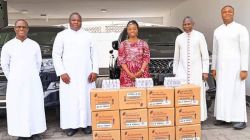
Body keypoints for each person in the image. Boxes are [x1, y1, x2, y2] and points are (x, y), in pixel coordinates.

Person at [52, 12, 98, 136]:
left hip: (86, 74)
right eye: (73, 20)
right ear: (69, 21)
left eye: (78, 20)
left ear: (81, 21)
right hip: (68, 75)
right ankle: (70, 126)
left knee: (86, 99)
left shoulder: (88, 35)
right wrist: (62, 72)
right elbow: (56, 55)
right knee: (70, 100)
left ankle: (87, 124)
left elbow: (95, 54)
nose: (76, 22)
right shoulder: (61, 35)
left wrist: (95, 71)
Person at [1, 19, 46, 140]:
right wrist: (12, 79)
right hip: (15, 83)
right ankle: (21, 133)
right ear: (15, 29)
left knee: (34, 106)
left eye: (24, 27)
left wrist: (31, 76)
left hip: (32, 82)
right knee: (18, 107)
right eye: (19, 27)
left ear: (27, 29)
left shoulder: (34, 45)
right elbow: (4, 65)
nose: (21, 29)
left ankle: (35, 132)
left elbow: (38, 63)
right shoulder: (8, 46)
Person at [212, 5, 249, 129]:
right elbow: (215, 51)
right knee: (222, 91)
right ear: (221, 14)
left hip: (236, 67)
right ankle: (222, 117)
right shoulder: (217, 30)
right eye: (224, 12)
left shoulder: (241, 29)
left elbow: (245, 50)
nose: (227, 13)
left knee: (236, 92)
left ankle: (240, 119)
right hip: (221, 67)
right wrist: (213, 67)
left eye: (229, 11)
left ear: (233, 13)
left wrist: (244, 68)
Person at [173, 16, 209, 122]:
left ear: (193, 24)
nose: (186, 26)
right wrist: (175, 72)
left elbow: (205, 55)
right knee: (184, 95)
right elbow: (176, 57)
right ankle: (185, 117)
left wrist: (205, 71)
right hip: (182, 71)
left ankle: (199, 118)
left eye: (188, 24)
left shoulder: (200, 36)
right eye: (184, 24)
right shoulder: (179, 38)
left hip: (197, 71)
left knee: (198, 94)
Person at [118, 20, 151, 87]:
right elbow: (121, 60)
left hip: (142, 74)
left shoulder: (144, 44)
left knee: (142, 94)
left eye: (134, 29)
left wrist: (140, 72)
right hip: (127, 75)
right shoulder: (123, 44)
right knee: (127, 95)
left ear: (137, 30)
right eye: (130, 29)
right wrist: (129, 73)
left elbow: (146, 59)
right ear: (127, 31)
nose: (132, 30)